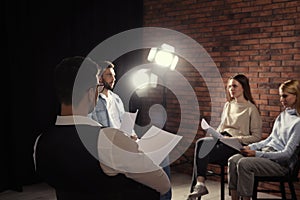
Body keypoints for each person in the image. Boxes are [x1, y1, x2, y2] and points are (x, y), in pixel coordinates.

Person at [34, 56, 171, 200]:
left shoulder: (40, 143)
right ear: (90, 92)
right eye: (97, 86)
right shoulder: (107, 139)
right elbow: (163, 184)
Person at [90, 61, 172, 200]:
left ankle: (165, 197)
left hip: (125, 142)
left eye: (114, 75)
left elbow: (126, 124)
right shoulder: (92, 100)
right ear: (99, 78)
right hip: (110, 148)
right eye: (109, 75)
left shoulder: (116, 99)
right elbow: (92, 129)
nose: (113, 78)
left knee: (163, 156)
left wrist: (133, 135)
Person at [187, 74, 262, 200]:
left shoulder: (251, 109)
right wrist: (214, 132)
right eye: (229, 86)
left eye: (234, 86)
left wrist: (235, 139)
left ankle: (198, 186)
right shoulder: (228, 105)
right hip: (222, 140)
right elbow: (222, 127)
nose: (231, 89)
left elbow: (256, 137)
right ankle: (200, 184)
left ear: (243, 88)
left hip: (236, 146)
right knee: (201, 143)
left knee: (202, 151)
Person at [228, 80, 300, 200]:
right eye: (280, 95)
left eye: (285, 96)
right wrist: (251, 147)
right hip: (267, 153)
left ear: (296, 95)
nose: (281, 99)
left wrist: (256, 154)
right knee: (233, 160)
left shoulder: (298, 123)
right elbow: (270, 140)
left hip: (280, 164)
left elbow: (286, 155)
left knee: (244, 163)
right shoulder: (283, 116)